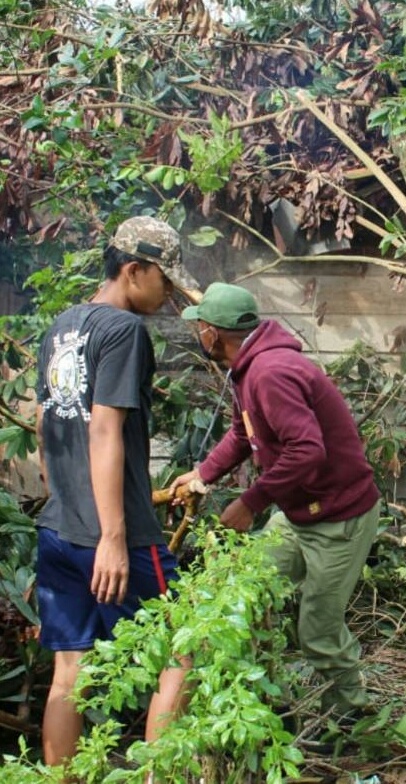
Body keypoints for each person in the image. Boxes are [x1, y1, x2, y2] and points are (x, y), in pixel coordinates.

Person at [169, 282, 381, 716]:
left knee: (319, 632)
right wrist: (202, 475)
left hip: (339, 518)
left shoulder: (270, 372)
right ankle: (264, 701)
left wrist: (252, 502)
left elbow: (307, 450)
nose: (198, 334)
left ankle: (355, 720)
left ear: (213, 333)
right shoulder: (246, 369)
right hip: (299, 512)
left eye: (200, 327)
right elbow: (241, 433)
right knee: (245, 592)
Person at [35, 216, 195, 765]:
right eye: (164, 280)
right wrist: (112, 535)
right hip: (114, 535)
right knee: (185, 647)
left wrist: (68, 502)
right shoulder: (124, 331)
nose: (169, 293)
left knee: (69, 672)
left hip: (59, 529)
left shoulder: (62, 327)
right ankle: (158, 777)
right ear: (133, 270)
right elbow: (104, 429)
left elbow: (47, 424)